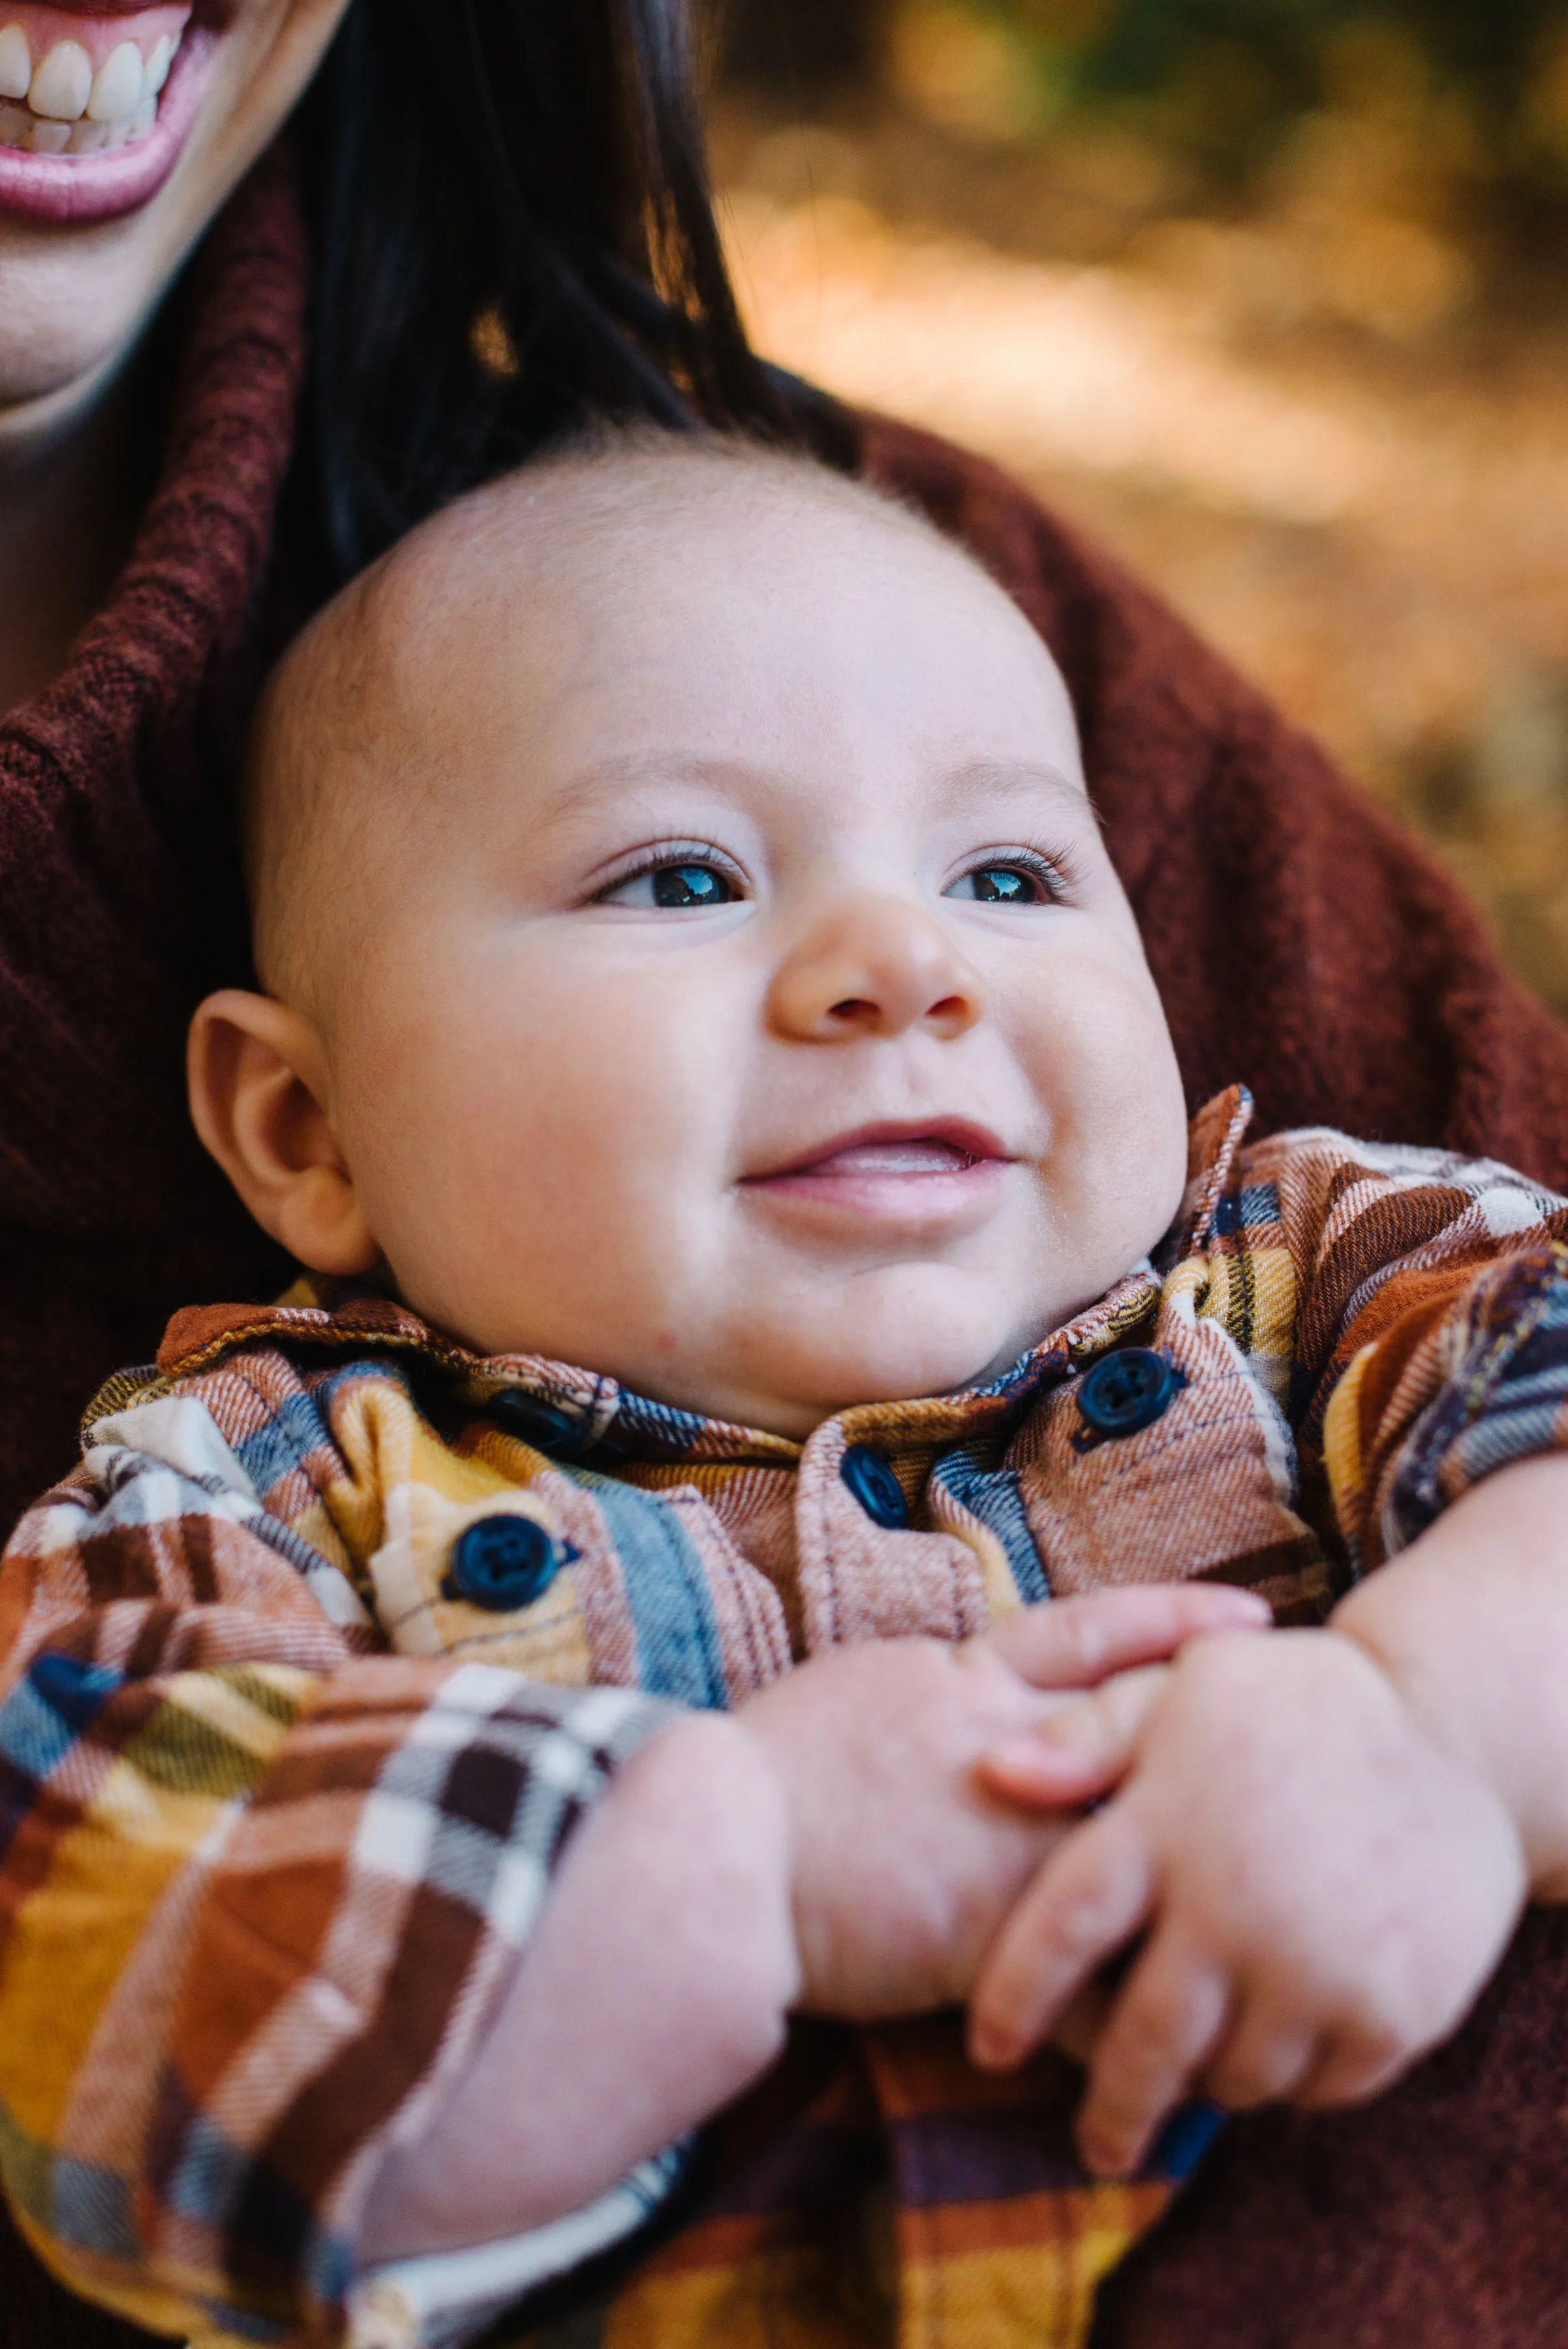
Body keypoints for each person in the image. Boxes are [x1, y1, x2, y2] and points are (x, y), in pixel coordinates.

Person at [5, 7, 1568, 2348]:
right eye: (673, 880)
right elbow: (103, 2006)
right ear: (298, 1132)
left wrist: (1433, 1733)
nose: (896, 965)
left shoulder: (1311, 1283)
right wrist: (736, 1868)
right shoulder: (251, 1507)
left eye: (1020, 882)